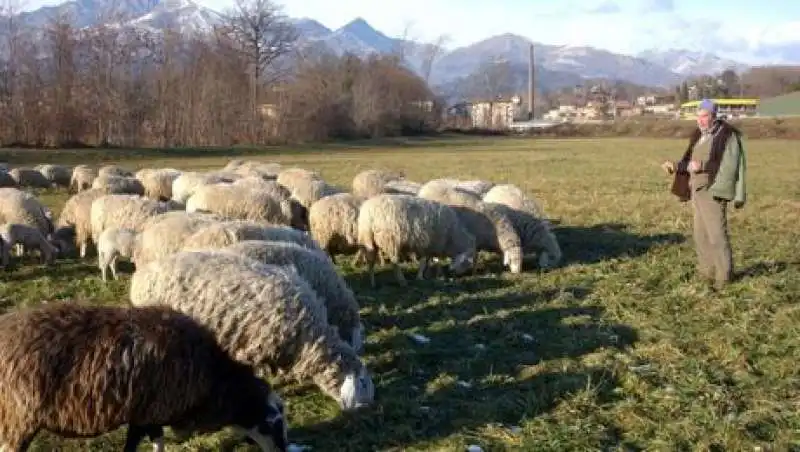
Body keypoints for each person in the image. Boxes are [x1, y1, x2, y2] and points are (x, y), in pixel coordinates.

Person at [661, 99, 747, 290]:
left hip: (713, 190)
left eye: (704, 116)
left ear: (714, 116)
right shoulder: (699, 135)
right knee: (700, 235)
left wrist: (704, 167)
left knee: (716, 234)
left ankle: (724, 277)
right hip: (697, 190)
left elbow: (728, 165)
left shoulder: (726, 136)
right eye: (698, 116)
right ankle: (706, 273)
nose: (700, 120)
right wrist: (676, 166)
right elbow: (692, 164)